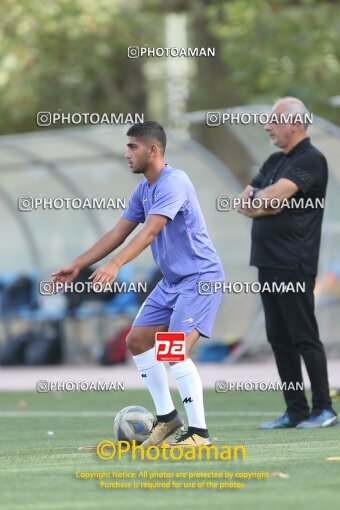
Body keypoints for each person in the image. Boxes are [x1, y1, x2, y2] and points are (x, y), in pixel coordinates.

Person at [52, 121, 224, 445]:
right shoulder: (144, 190)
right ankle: (168, 419)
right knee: (138, 340)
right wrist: (76, 266)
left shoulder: (175, 182)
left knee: (173, 350)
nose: (127, 153)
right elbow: (118, 233)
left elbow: (150, 232)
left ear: (153, 150)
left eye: (133, 147)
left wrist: (116, 264)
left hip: (200, 279)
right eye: (127, 146)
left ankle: (199, 433)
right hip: (172, 282)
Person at [237, 97, 338, 429]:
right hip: (266, 263)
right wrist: (265, 202)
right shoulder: (273, 161)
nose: (267, 126)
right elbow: (244, 202)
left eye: (274, 120)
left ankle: (323, 409)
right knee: (278, 339)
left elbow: (269, 198)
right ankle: (295, 410)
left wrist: (265, 201)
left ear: (294, 123)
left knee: (303, 336)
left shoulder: (311, 159)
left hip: (293, 263)